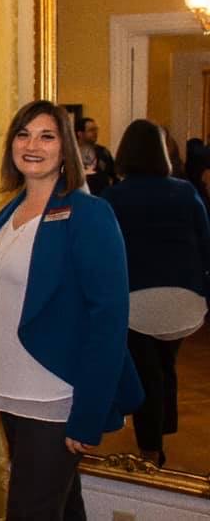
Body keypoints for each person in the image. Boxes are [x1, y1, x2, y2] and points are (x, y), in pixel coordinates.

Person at [0, 100, 143, 521]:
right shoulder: (7, 214)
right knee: (62, 508)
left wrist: (89, 413)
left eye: (47, 136)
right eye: (23, 134)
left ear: (65, 148)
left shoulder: (91, 214)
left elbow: (109, 318)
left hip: (55, 395)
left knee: (30, 510)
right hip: (8, 389)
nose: (33, 145)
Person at [101, 119, 210, 466]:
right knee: (165, 365)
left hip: (136, 298)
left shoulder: (113, 197)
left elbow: (105, 254)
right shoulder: (186, 191)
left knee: (147, 373)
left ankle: (150, 448)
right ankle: (163, 430)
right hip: (186, 298)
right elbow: (205, 242)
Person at [74, 116, 116, 195]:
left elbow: (114, 176)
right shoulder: (71, 154)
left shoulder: (104, 152)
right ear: (80, 134)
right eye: (91, 130)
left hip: (102, 197)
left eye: (96, 129)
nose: (95, 133)